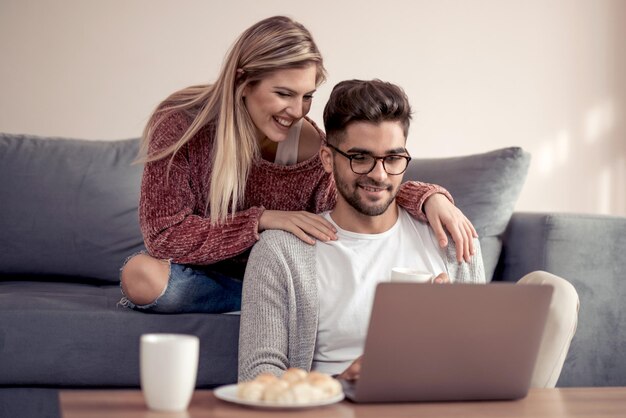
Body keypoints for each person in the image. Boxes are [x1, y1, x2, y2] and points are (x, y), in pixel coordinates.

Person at [118, 16, 479, 314]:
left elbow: (360, 185)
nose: (297, 111)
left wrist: (429, 197)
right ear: (243, 81)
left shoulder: (312, 148)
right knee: (141, 276)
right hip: (202, 279)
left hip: (281, 280)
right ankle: (264, 309)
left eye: (307, 96)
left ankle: (276, 307)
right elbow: (164, 237)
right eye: (284, 94)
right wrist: (261, 219)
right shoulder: (182, 125)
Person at [238, 79, 579, 388]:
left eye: (393, 158)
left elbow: (474, 362)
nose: (379, 175)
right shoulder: (281, 251)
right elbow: (256, 377)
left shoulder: (449, 238)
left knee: (556, 294)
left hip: (439, 401)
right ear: (328, 159)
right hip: (336, 407)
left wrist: (448, 331)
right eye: (360, 158)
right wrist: (340, 384)